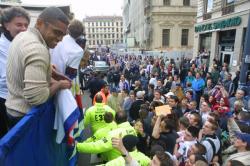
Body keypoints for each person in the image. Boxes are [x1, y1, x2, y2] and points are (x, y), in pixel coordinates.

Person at [5, 7, 71, 128]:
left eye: (63, 34)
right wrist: (59, 84)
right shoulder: (38, 49)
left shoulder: (22, 36)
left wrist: (49, 72)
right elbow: (37, 98)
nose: (60, 39)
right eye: (57, 32)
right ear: (40, 23)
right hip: (26, 117)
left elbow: (23, 67)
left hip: (13, 110)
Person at [0, 6, 30, 138]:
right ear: (6, 25)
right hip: (4, 101)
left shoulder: (21, 43)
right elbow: (7, 77)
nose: (23, 29)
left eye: (26, 25)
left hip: (20, 100)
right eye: (19, 24)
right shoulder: (2, 47)